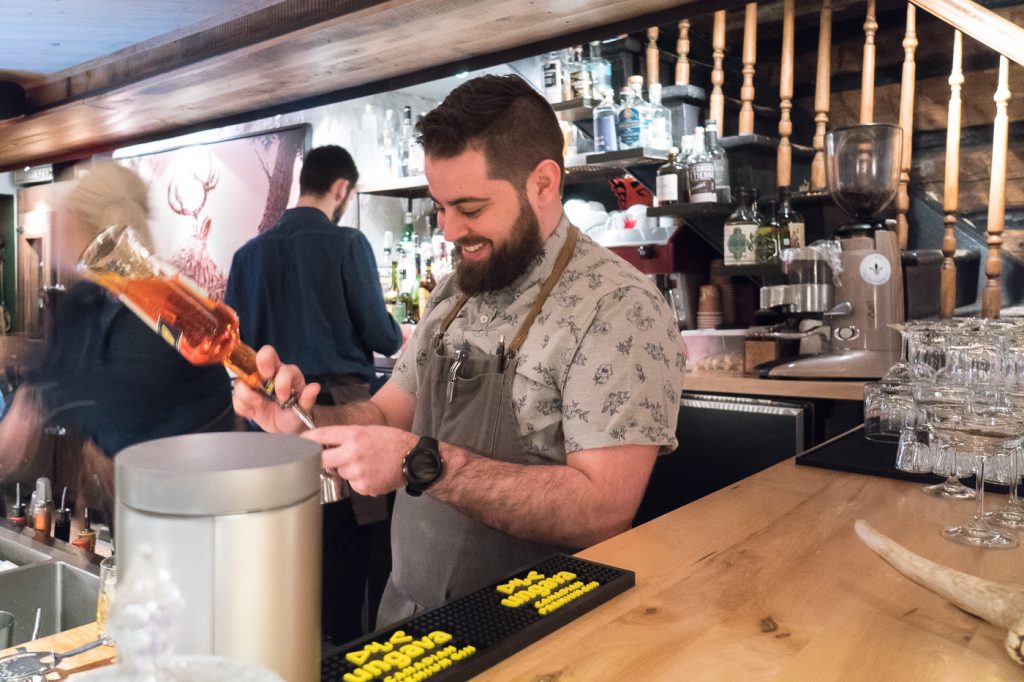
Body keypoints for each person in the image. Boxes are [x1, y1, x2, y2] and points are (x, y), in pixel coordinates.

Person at [233, 75, 686, 625]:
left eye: (469, 208)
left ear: (543, 183)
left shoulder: (618, 308)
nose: (449, 230)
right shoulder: (456, 291)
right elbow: (384, 413)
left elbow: (602, 509)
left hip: (532, 635)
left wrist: (422, 464)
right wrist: (305, 422)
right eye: (440, 207)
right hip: (409, 621)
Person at [225, 144, 404, 643]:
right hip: (336, 417)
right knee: (344, 566)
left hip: (264, 423)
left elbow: (234, 350)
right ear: (342, 189)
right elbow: (383, 336)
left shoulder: (247, 255)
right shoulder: (348, 244)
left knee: (280, 560)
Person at [0, 162, 235, 520]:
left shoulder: (168, 304)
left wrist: (35, 399)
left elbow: (118, 397)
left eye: (66, 221)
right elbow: (60, 366)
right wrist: (31, 393)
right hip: (136, 497)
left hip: (198, 497)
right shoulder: (88, 299)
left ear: (85, 229)